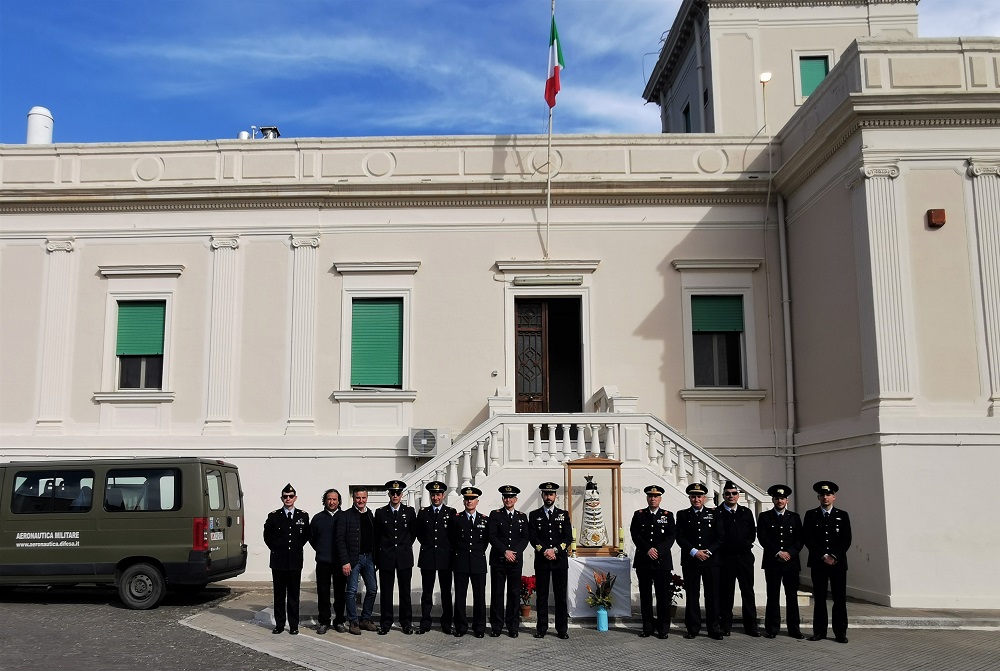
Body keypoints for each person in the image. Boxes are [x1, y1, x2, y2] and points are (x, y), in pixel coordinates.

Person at [803, 480, 852, 644]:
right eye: (822, 494)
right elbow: (808, 538)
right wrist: (823, 555)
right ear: (818, 497)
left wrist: (834, 555)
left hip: (837, 564)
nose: (825, 497)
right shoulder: (811, 515)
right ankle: (819, 631)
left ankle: (840, 632)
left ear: (834, 497)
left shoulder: (842, 515)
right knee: (820, 598)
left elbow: (846, 539)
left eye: (828, 494)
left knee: (839, 599)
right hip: (819, 562)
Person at [675, 482, 725, 640]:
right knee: (692, 594)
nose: (696, 499)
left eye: (699, 496)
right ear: (689, 498)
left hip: (711, 560)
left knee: (713, 595)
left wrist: (708, 552)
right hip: (691, 560)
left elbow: (720, 537)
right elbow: (680, 537)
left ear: (704, 498)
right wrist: (695, 552)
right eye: (693, 496)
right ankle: (693, 628)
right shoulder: (682, 514)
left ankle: (714, 628)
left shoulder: (715, 514)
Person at [756, 483, 804, 639]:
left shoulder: (795, 517)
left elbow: (800, 539)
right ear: (773, 500)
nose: (780, 501)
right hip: (773, 562)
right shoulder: (764, 517)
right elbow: (763, 538)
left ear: (787, 500)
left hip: (791, 563)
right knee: (773, 596)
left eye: (782, 498)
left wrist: (789, 552)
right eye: (777, 498)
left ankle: (794, 629)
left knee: (791, 597)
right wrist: (778, 552)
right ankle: (772, 628)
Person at [262, 483, 311, 635]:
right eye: (285, 497)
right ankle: (279, 624)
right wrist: (277, 549)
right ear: (281, 498)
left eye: (290, 496)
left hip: (295, 561)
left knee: (294, 595)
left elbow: (304, 537)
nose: (288, 499)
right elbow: (267, 536)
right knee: (279, 595)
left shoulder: (303, 515)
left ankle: (294, 625)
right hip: (278, 561)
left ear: (295, 498)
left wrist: (294, 549)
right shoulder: (274, 516)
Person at [630, 484, 676, 639]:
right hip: (644, 560)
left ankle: (663, 629)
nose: (653, 499)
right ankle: (647, 627)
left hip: (662, 561)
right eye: (650, 496)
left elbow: (671, 537)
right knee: (645, 596)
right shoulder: (639, 514)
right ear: (647, 498)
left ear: (660, 498)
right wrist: (648, 549)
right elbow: (635, 534)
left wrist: (658, 551)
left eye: (655, 496)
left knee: (663, 596)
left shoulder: (667, 515)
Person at [528, 481, 573, 640]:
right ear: (542, 495)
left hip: (559, 560)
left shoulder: (564, 514)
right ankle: (541, 628)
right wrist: (545, 551)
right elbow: (533, 538)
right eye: (546, 494)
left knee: (560, 596)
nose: (548, 496)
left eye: (551, 494)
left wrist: (554, 550)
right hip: (542, 560)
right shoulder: (534, 515)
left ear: (555, 496)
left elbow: (568, 537)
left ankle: (562, 629)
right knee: (542, 596)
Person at [717, 481, 761, 637]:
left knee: (748, 592)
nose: (731, 496)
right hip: (726, 558)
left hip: (744, 558)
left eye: (734, 493)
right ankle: (725, 625)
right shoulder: (717, 512)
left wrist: (745, 544)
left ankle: (751, 626)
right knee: (726, 593)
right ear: (723, 495)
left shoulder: (746, 512)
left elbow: (752, 533)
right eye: (728, 493)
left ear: (738, 495)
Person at [373, 480, 417, 635]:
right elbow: (377, 536)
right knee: (386, 592)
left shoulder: (410, 512)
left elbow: (412, 534)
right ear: (389, 494)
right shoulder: (380, 512)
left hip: (404, 557)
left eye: (398, 493)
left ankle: (406, 623)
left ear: (402, 494)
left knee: (405, 592)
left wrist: (403, 547)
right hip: (386, 557)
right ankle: (386, 622)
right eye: (392, 493)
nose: (395, 496)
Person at [415, 480, 456, 635]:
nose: (435, 497)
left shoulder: (451, 512)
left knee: (446, 592)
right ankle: (425, 622)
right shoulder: (423, 513)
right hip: (427, 557)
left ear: (443, 495)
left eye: (438, 494)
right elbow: (419, 534)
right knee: (427, 593)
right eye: (433, 494)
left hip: (445, 558)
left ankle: (446, 623)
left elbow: (453, 535)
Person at [488, 484, 529, 638]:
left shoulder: (522, 516)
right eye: (505, 497)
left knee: (514, 593)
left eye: (511, 497)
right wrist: (505, 551)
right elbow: (492, 536)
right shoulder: (495, 515)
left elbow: (525, 538)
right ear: (502, 499)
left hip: (515, 561)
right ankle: (497, 626)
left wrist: (514, 553)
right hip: (499, 560)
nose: (508, 499)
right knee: (497, 593)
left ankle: (513, 626)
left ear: (515, 499)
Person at [336, 487, 378, 635]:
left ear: (367, 498)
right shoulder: (346, 516)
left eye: (363, 498)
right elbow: (340, 540)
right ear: (353, 498)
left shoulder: (370, 515)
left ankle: (365, 619)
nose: (361, 501)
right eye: (358, 498)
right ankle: (353, 621)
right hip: (353, 559)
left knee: (372, 589)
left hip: (369, 558)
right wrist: (345, 561)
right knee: (352, 591)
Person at [450, 486, 489, 638]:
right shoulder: (456, 518)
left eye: (472, 499)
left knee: (479, 596)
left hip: (478, 562)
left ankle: (479, 627)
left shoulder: (484, 519)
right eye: (466, 499)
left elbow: (485, 541)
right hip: (461, 561)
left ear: (477, 501)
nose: (469, 501)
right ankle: (460, 626)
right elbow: (452, 539)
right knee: (460, 596)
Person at [310, 488, 348, 634]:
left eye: (334, 499)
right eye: (329, 499)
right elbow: (312, 538)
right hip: (323, 561)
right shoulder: (318, 518)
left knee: (340, 593)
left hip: (340, 562)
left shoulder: (344, 517)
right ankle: (324, 621)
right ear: (325, 501)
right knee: (323, 592)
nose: (331, 502)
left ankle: (339, 621)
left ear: (339, 501)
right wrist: (321, 549)